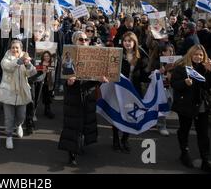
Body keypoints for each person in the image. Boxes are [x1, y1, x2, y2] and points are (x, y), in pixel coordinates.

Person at [58, 31, 108, 166]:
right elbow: (63, 78)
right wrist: (68, 82)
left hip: (88, 94)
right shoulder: (68, 56)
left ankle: (81, 144)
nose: (84, 41)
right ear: (75, 41)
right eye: (81, 39)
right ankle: (71, 154)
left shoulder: (94, 56)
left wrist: (101, 80)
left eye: (86, 39)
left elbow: (95, 79)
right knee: (72, 125)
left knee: (85, 123)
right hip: (73, 96)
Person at [170, 45, 211, 174]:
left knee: (203, 133)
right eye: (196, 54)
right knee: (184, 130)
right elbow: (174, 84)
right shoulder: (181, 67)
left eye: (201, 55)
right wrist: (184, 83)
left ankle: (205, 160)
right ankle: (184, 153)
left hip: (201, 104)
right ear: (190, 54)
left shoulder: (206, 67)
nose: (198, 57)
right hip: (185, 105)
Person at [112, 31, 149, 153]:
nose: (127, 43)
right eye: (125, 41)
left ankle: (125, 139)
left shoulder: (140, 56)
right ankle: (116, 139)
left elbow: (144, 75)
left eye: (130, 41)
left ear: (134, 42)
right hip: (118, 90)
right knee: (117, 114)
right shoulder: (117, 54)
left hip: (133, 91)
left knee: (130, 115)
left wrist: (155, 74)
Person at [0, 40, 36, 150]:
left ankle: (19, 125)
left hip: (21, 92)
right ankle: (9, 136)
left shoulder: (25, 57)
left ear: (21, 48)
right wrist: (18, 61)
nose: (15, 49)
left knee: (21, 115)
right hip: (8, 92)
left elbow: (32, 73)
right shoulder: (6, 58)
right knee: (9, 117)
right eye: (13, 47)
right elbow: (7, 67)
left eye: (17, 48)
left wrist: (28, 64)